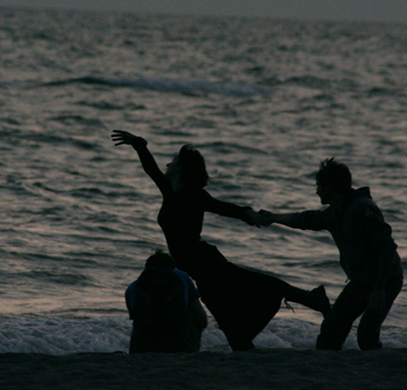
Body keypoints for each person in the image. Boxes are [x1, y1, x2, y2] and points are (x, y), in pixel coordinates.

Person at [112, 130, 330, 351]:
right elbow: (151, 170)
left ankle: (311, 298)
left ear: (181, 168)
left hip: (207, 264)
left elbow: (222, 207)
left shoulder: (193, 195)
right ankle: (249, 343)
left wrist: (248, 214)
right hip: (199, 269)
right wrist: (138, 145)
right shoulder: (171, 192)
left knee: (256, 286)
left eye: (173, 161)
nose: (168, 164)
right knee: (229, 318)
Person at [259, 158, 403, 351]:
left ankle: (379, 368)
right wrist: (273, 218)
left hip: (385, 281)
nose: (316, 191)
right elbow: (305, 219)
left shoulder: (362, 208)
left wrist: (379, 290)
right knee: (330, 331)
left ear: (328, 187)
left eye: (318, 186)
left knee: (367, 334)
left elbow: (387, 247)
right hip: (360, 281)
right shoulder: (334, 213)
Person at [125, 250, 207, 354]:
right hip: (176, 339)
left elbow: (136, 316)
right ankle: (192, 354)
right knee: (193, 315)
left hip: (142, 342)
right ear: (172, 267)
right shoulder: (181, 276)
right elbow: (200, 316)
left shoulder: (133, 287)